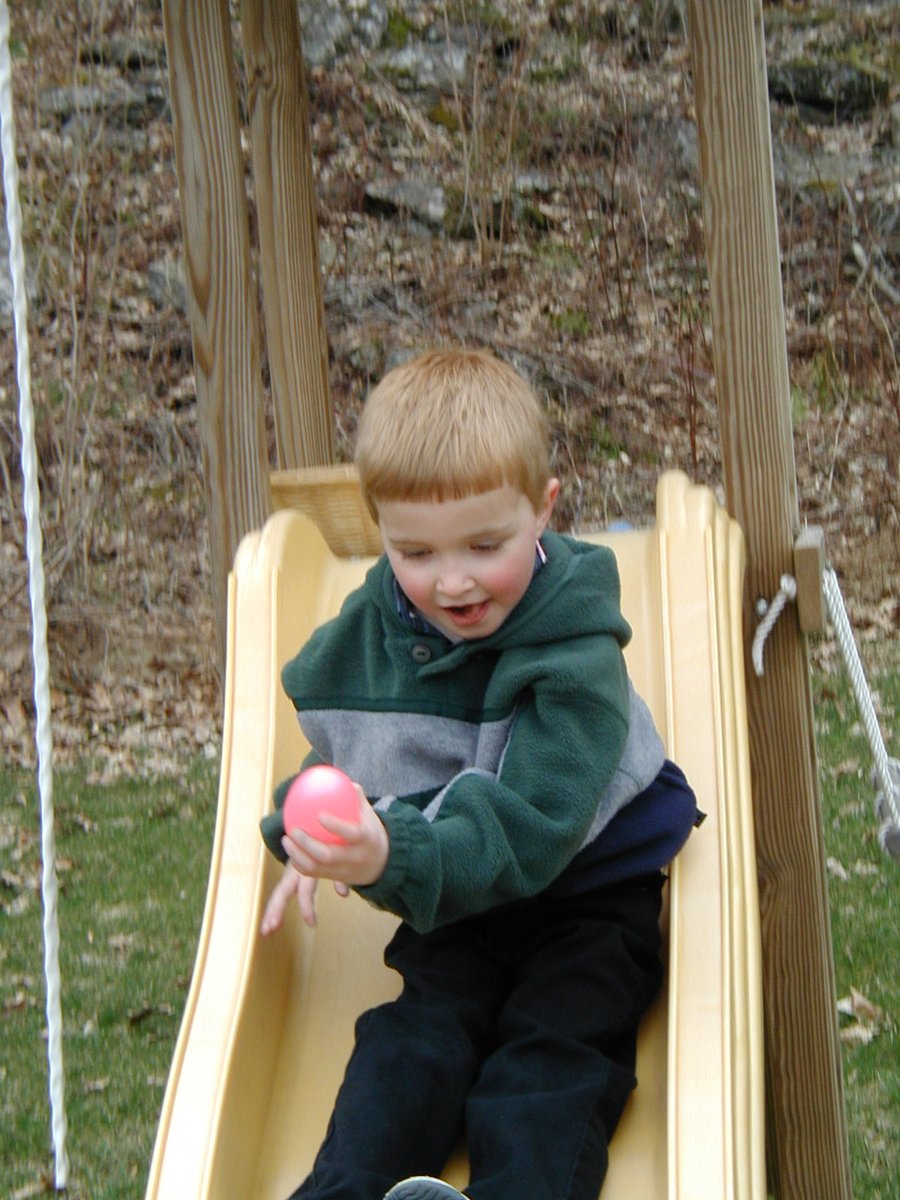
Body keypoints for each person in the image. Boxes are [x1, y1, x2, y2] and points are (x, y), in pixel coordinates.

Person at [259, 347, 699, 1200]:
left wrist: (394, 856)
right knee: (411, 1040)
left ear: (543, 509)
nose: (451, 580)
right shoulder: (373, 634)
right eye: (414, 551)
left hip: (585, 898)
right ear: (378, 527)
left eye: (485, 545)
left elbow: (534, 824)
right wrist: (307, 829)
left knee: (551, 1057)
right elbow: (344, 758)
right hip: (456, 912)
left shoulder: (575, 649)